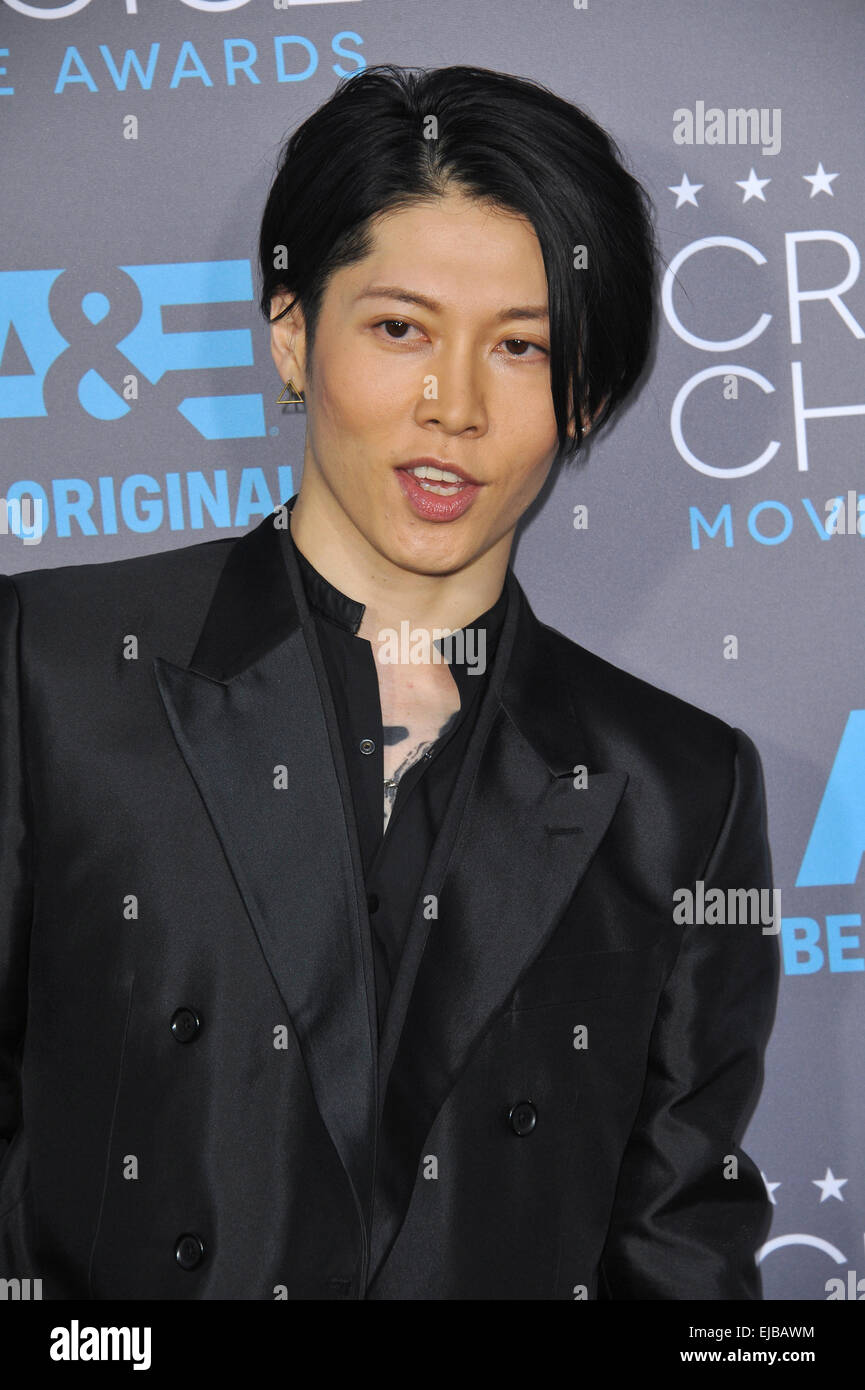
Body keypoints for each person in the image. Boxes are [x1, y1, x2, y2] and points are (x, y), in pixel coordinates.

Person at [0, 63, 778, 1300]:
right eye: (399, 328)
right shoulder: (54, 667)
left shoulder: (679, 787)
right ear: (293, 333)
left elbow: (677, 1245)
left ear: (585, 396)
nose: (450, 406)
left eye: (520, 347)